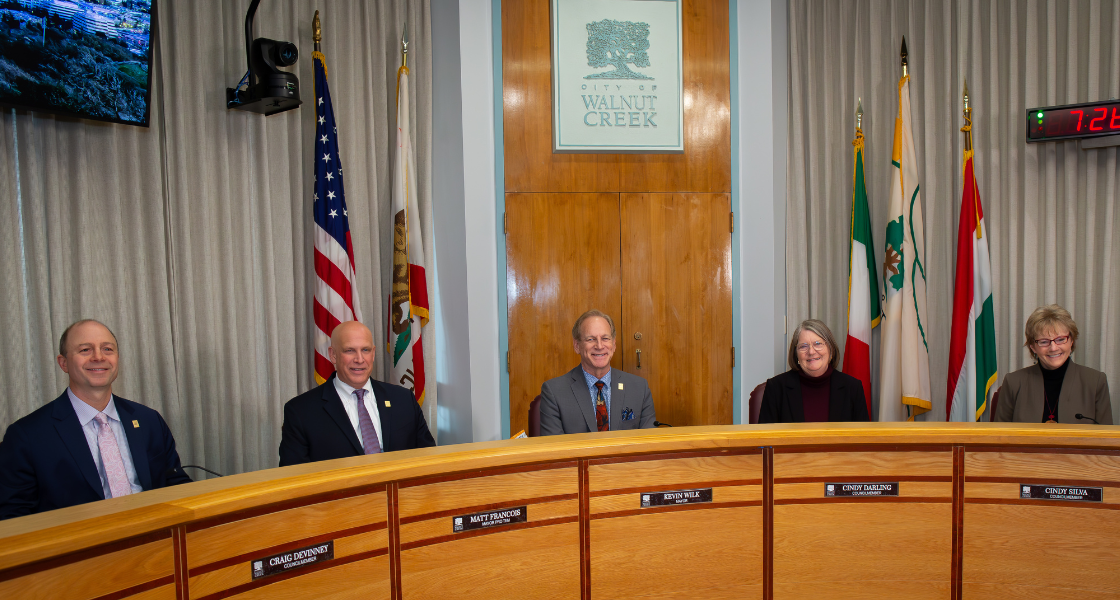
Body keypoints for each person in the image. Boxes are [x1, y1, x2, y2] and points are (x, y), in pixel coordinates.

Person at [0, 320, 192, 520]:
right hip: (79, 538)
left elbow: (175, 483)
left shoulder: (149, 420)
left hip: (154, 533)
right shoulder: (27, 435)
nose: (99, 357)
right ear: (63, 363)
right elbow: (12, 516)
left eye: (107, 349)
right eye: (85, 350)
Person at [279, 321, 435, 466]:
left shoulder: (403, 399)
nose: (359, 359)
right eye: (350, 350)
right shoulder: (300, 411)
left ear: (373, 353)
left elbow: (428, 460)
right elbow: (294, 477)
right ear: (333, 355)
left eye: (365, 350)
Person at [539, 310, 656, 435]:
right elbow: (555, 446)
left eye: (605, 338)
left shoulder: (639, 388)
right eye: (591, 339)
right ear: (577, 345)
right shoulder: (554, 392)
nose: (599, 346)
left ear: (614, 344)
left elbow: (649, 441)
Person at [995, 305, 1112, 424]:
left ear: (1071, 341)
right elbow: (999, 434)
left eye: (1060, 339)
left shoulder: (1095, 382)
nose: (1053, 348)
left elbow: (1106, 434)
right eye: (1044, 342)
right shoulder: (1013, 382)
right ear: (1033, 347)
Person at [758, 319, 869, 424]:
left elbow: (864, 436)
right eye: (803, 346)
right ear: (796, 354)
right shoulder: (776, 388)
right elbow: (765, 436)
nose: (811, 351)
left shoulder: (852, 388)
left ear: (831, 349)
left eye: (818, 344)